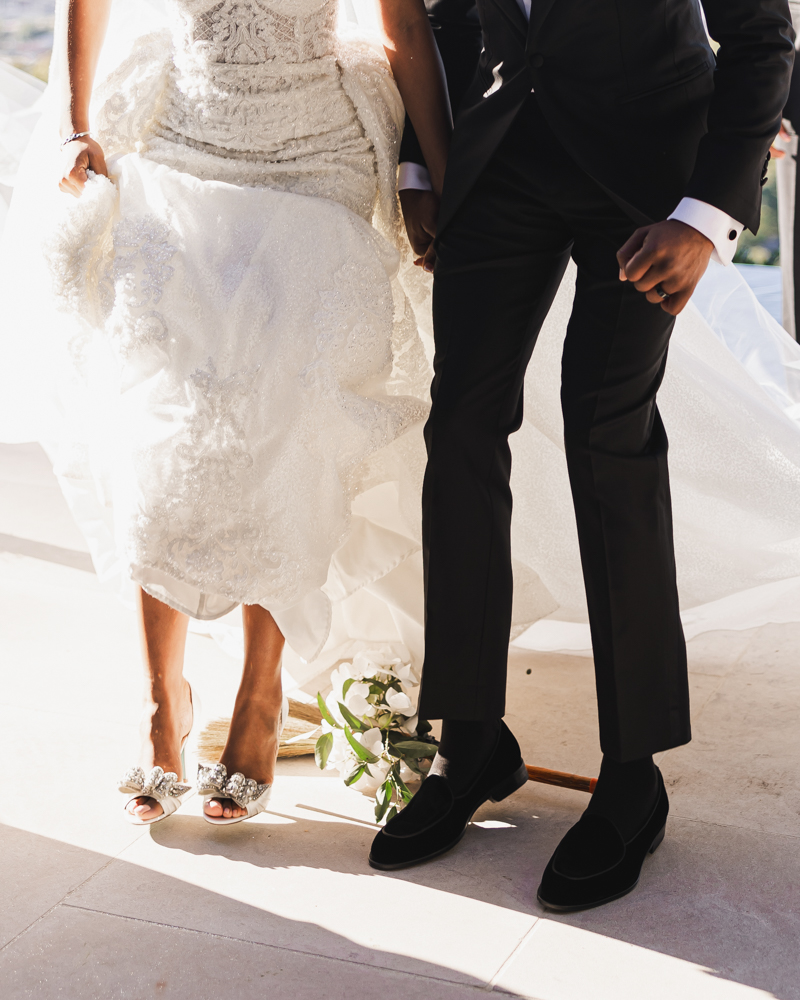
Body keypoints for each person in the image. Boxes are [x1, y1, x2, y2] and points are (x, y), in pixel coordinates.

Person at [368, 0, 794, 913]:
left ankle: (634, 775)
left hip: (650, 177)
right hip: (498, 159)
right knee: (461, 432)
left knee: (607, 433)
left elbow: (763, 32)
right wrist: (418, 164)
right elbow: (439, 14)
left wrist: (707, 215)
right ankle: (472, 739)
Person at [28, 0, 451, 826]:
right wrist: (77, 123)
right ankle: (164, 706)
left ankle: (261, 694)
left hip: (318, 161)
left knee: (280, 426)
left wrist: (436, 176)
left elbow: (406, 25)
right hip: (184, 144)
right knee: (164, 429)